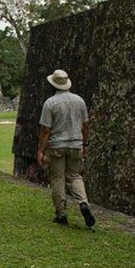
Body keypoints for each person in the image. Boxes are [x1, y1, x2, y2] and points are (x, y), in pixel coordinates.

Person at [33, 69, 96, 228]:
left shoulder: (50, 103)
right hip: (76, 144)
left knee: (57, 179)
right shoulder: (79, 101)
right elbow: (86, 126)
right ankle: (83, 203)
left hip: (57, 146)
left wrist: (40, 150)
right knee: (75, 176)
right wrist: (85, 144)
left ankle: (61, 214)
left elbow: (46, 130)